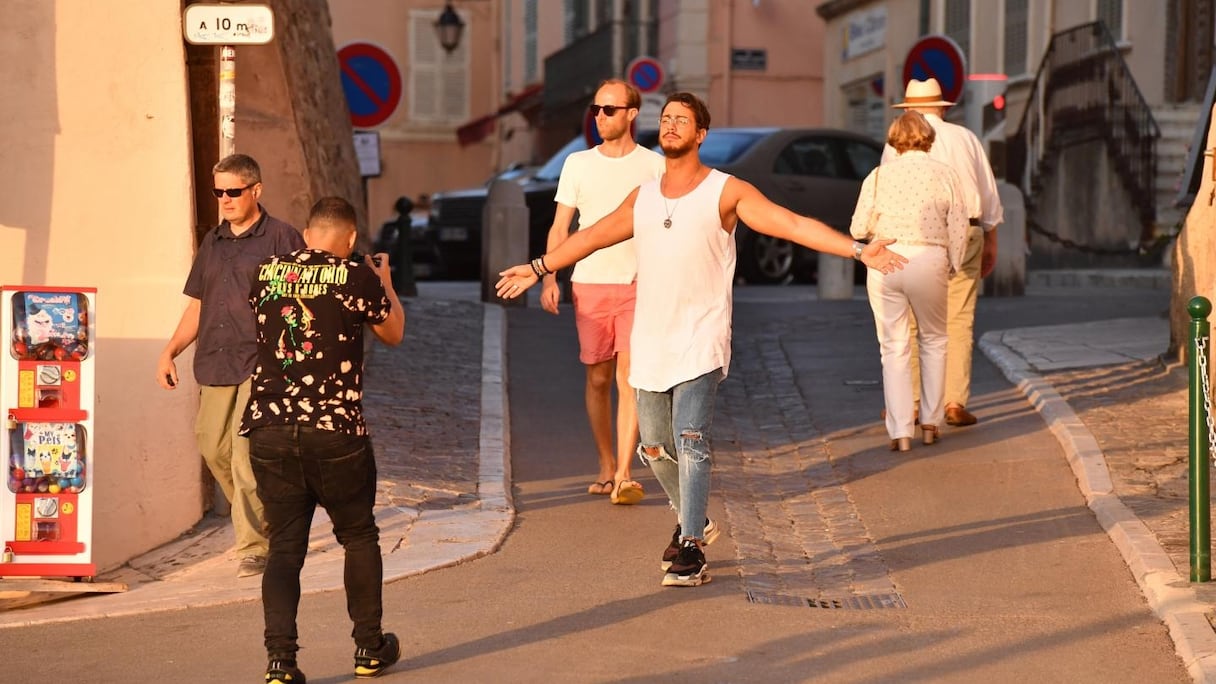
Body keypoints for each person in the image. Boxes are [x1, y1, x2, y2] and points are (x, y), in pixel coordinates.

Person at [497, 92, 906, 587]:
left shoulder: (726, 191)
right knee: (652, 448)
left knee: (691, 439)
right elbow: (593, 235)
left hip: (702, 335)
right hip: (651, 338)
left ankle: (689, 544)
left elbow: (792, 224)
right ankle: (698, 519)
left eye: (681, 120)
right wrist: (540, 266)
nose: (670, 126)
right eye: (665, 118)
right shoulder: (643, 196)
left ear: (700, 135)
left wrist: (859, 250)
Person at [241, 197, 406, 684]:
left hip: (269, 427)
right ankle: (369, 649)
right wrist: (385, 281)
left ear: (308, 232)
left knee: (285, 547)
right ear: (351, 239)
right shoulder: (356, 277)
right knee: (357, 536)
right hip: (334, 432)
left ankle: (280, 662)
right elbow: (393, 331)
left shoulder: (267, 270)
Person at [156, 153, 305, 578]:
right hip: (216, 359)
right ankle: (268, 515)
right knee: (211, 445)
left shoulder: (282, 238)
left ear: (255, 191)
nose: (224, 199)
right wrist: (170, 351)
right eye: (218, 191)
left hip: (262, 363)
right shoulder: (213, 242)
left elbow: (300, 304)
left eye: (233, 191)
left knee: (244, 456)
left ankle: (255, 546)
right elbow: (198, 305)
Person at [541, 78, 666, 504]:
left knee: (629, 380)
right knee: (597, 378)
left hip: (639, 283)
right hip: (589, 282)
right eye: (596, 109)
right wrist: (549, 276)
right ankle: (605, 464)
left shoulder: (654, 165)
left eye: (609, 110)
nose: (600, 117)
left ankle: (626, 473)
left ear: (632, 114)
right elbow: (562, 226)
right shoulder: (577, 163)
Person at [883, 78, 1004, 427]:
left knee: (912, 321)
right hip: (966, 230)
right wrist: (991, 239)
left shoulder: (895, 145)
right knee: (958, 318)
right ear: (944, 107)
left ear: (907, 110)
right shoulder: (966, 138)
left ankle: (915, 402)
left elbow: (885, 193)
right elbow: (988, 192)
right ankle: (953, 402)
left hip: (913, 236)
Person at [852, 111, 969, 452]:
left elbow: (858, 229)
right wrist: (953, 263)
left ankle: (900, 431)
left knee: (893, 347)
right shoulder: (946, 174)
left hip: (886, 258)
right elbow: (958, 225)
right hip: (929, 256)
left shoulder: (877, 176)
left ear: (894, 139)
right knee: (934, 339)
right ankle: (931, 423)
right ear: (928, 137)